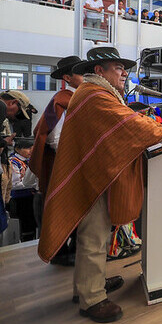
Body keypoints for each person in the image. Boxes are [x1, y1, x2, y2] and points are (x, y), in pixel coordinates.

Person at [38, 46, 162, 323]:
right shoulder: (94, 95)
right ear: (99, 71)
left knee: (94, 237)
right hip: (91, 180)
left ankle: (89, 286)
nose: (125, 72)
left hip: (95, 175)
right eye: (118, 67)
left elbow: (128, 121)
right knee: (93, 238)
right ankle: (92, 299)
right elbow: (127, 123)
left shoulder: (96, 93)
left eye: (125, 68)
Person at [28, 55, 85, 264]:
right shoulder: (62, 99)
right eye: (81, 73)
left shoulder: (78, 98)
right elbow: (54, 137)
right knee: (62, 209)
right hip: (63, 165)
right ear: (68, 77)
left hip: (72, 163)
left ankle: (73, 252)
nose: (85, 77)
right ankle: (60, 253)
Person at [9, 138, 38, 242]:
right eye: (28, 148)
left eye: (32, 148)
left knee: (33, 223)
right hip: (20, 198)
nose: (31, 151)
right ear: (17, 149)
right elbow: (14, 184)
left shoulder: (30, 160)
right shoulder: (13, 161)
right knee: (25, 226)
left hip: (31, 196)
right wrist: (34, 184)